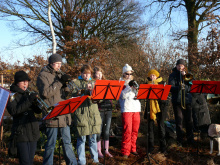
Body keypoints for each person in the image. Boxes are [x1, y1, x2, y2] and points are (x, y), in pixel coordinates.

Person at [36, 54, 77, 165]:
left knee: (67, 143)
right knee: (50, 144)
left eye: (60, 64)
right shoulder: (42, 76)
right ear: (51, 63)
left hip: (64, 114)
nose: (59, 66)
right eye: (57, 63)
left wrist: (66, 84)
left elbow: (66, 94)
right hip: (52, 114)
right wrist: (59, 82)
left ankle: (73, 163)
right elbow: (45, 94)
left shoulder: (59, 74)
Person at [7, 70, 41, 165]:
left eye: (27, 81)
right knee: (25, 162)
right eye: (23, 81)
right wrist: (29, 100)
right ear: (17, 82)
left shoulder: (27, 94)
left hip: (32, 131)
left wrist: (37, 103)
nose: (26, 84)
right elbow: (14, 111)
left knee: (30, 161)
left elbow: (38, 111)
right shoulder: (12, 95)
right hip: (21, 132)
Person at [72, 64, 102, 165]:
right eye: (84, 74)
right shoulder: (76, 82)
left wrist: (94, 93)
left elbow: (100, 99)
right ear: (81, 73)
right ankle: (81, 161)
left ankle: (95, 160)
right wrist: (85, 90)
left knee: (93, 139)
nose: (86, 76)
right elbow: (72, 94)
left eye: (88, 74)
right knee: (81, 139)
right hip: (81, 114)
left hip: (93, 114)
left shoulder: (94, 82)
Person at [168, 59, 194, 146]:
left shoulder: (188, 74)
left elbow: (192, 85)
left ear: (184, 67)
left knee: (189, 121)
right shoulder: (172, 75)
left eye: (182, 66)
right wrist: (179, 87)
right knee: (179, 121)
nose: (180, 67)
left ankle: (190, 140)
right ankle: (180, 141)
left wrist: (185, 77)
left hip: (187, 100)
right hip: (177, 101)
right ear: (176, 66)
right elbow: (170, 87)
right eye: (179, 66)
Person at [119, 64, 141, 158]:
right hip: (127, 108)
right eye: (126, 74)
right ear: (123, 74)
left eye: (130, 73)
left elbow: (139, 94)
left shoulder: (134, 82)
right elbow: (122, 96)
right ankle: (125, 151)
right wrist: (128, 86)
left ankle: (133, 148)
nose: (128, 75)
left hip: (136, 108)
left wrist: (136, 88)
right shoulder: (121, 83)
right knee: (127, 130)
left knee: (135, 130)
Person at [144, 69, 168, 153]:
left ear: (157, 76)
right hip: (150, 108)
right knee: (150, 127)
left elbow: (165, 96)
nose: (152, 77)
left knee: (161, 127)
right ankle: (151, 147)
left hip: (161, 107)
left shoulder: (162, 83)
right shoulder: (146, 84)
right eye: (150, 76)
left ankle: (163, 147)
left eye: (153, 75)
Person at [93, 66, 113, 158]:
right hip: (99, 109)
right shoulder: (93, 83)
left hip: (108, 108)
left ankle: (106, 150)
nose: (99, 75)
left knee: (107, 131)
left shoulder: (107, 83)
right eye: (97, 73)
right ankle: (98, 151)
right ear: (94, 75)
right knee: (99, 130)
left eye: (100, 73)